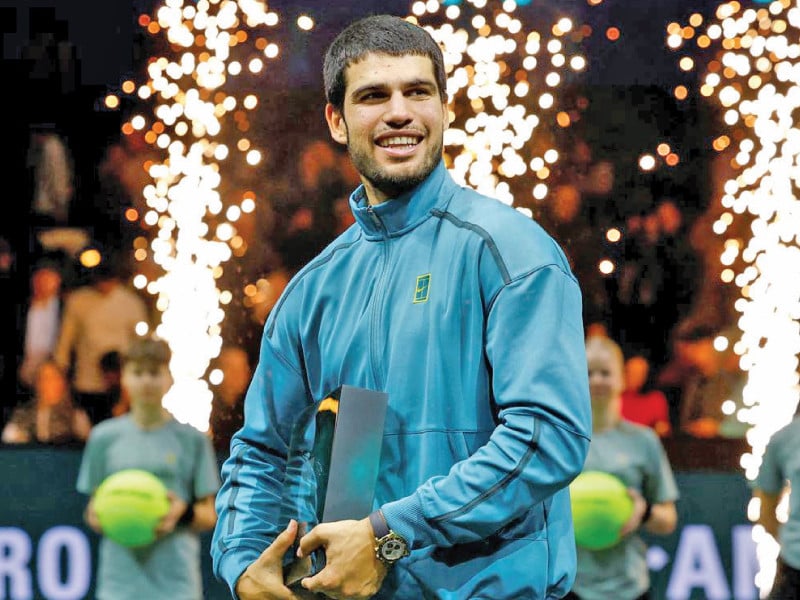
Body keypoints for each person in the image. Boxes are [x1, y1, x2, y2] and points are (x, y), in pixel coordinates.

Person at [211, 14, 592, 600]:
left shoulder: (510, 252)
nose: (399, 112)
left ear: (445, 109)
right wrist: (242, 560)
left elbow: (546, 438)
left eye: (418, 91)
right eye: (373, 96)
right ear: (337, 121)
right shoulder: (315, 289)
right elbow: (264, 450)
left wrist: (390, 534)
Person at [76, 336, 220, 599]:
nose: (146, 381)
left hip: (176, 584)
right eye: (137, 373)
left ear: (169, 378)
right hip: (118, 584)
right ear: (124, 378)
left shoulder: (193, 440)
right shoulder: (102, 437)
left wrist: (183, 514)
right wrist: (101, 515)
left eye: (154, 373)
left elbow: (209, 514)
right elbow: (92, 510)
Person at [568, 335, 678, 600]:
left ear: (622, 379)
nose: (596, 380)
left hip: (629, 586)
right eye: (588, 373)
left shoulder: (644, 441)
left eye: (605, 372)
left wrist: (645, 512)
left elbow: (668, 519)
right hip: (569, 586)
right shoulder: (560, 441)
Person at [54, 253, 149, 424]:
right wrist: (61, 367)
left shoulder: (131, 303)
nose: (105, 286)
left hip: (122, 381)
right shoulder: (78, 301)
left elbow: (141, 342)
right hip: (88, 379)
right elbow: (66, 338)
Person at [752, 405, 800, 599]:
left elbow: (766, 510)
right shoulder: (785, 438)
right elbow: (766, 511)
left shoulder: (786, 437)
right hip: (795, 566)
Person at [1, 359, 90, 445]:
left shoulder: (76, 417)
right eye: (44, 379)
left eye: (55, 379)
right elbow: (9, 440)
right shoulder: (22, 414)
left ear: (64, 384)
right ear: (37, 384)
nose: (49, 385)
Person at [208, 345, 251, 456]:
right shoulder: (207, 405)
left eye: (241, 369)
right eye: (231, 369)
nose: (237, 375)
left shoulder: (253, 408)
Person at [621, 354, 671, 437]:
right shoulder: (613, 397)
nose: (634, 377)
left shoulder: (656, 398)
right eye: (630, 372)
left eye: (639, 373)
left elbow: (663, 428)